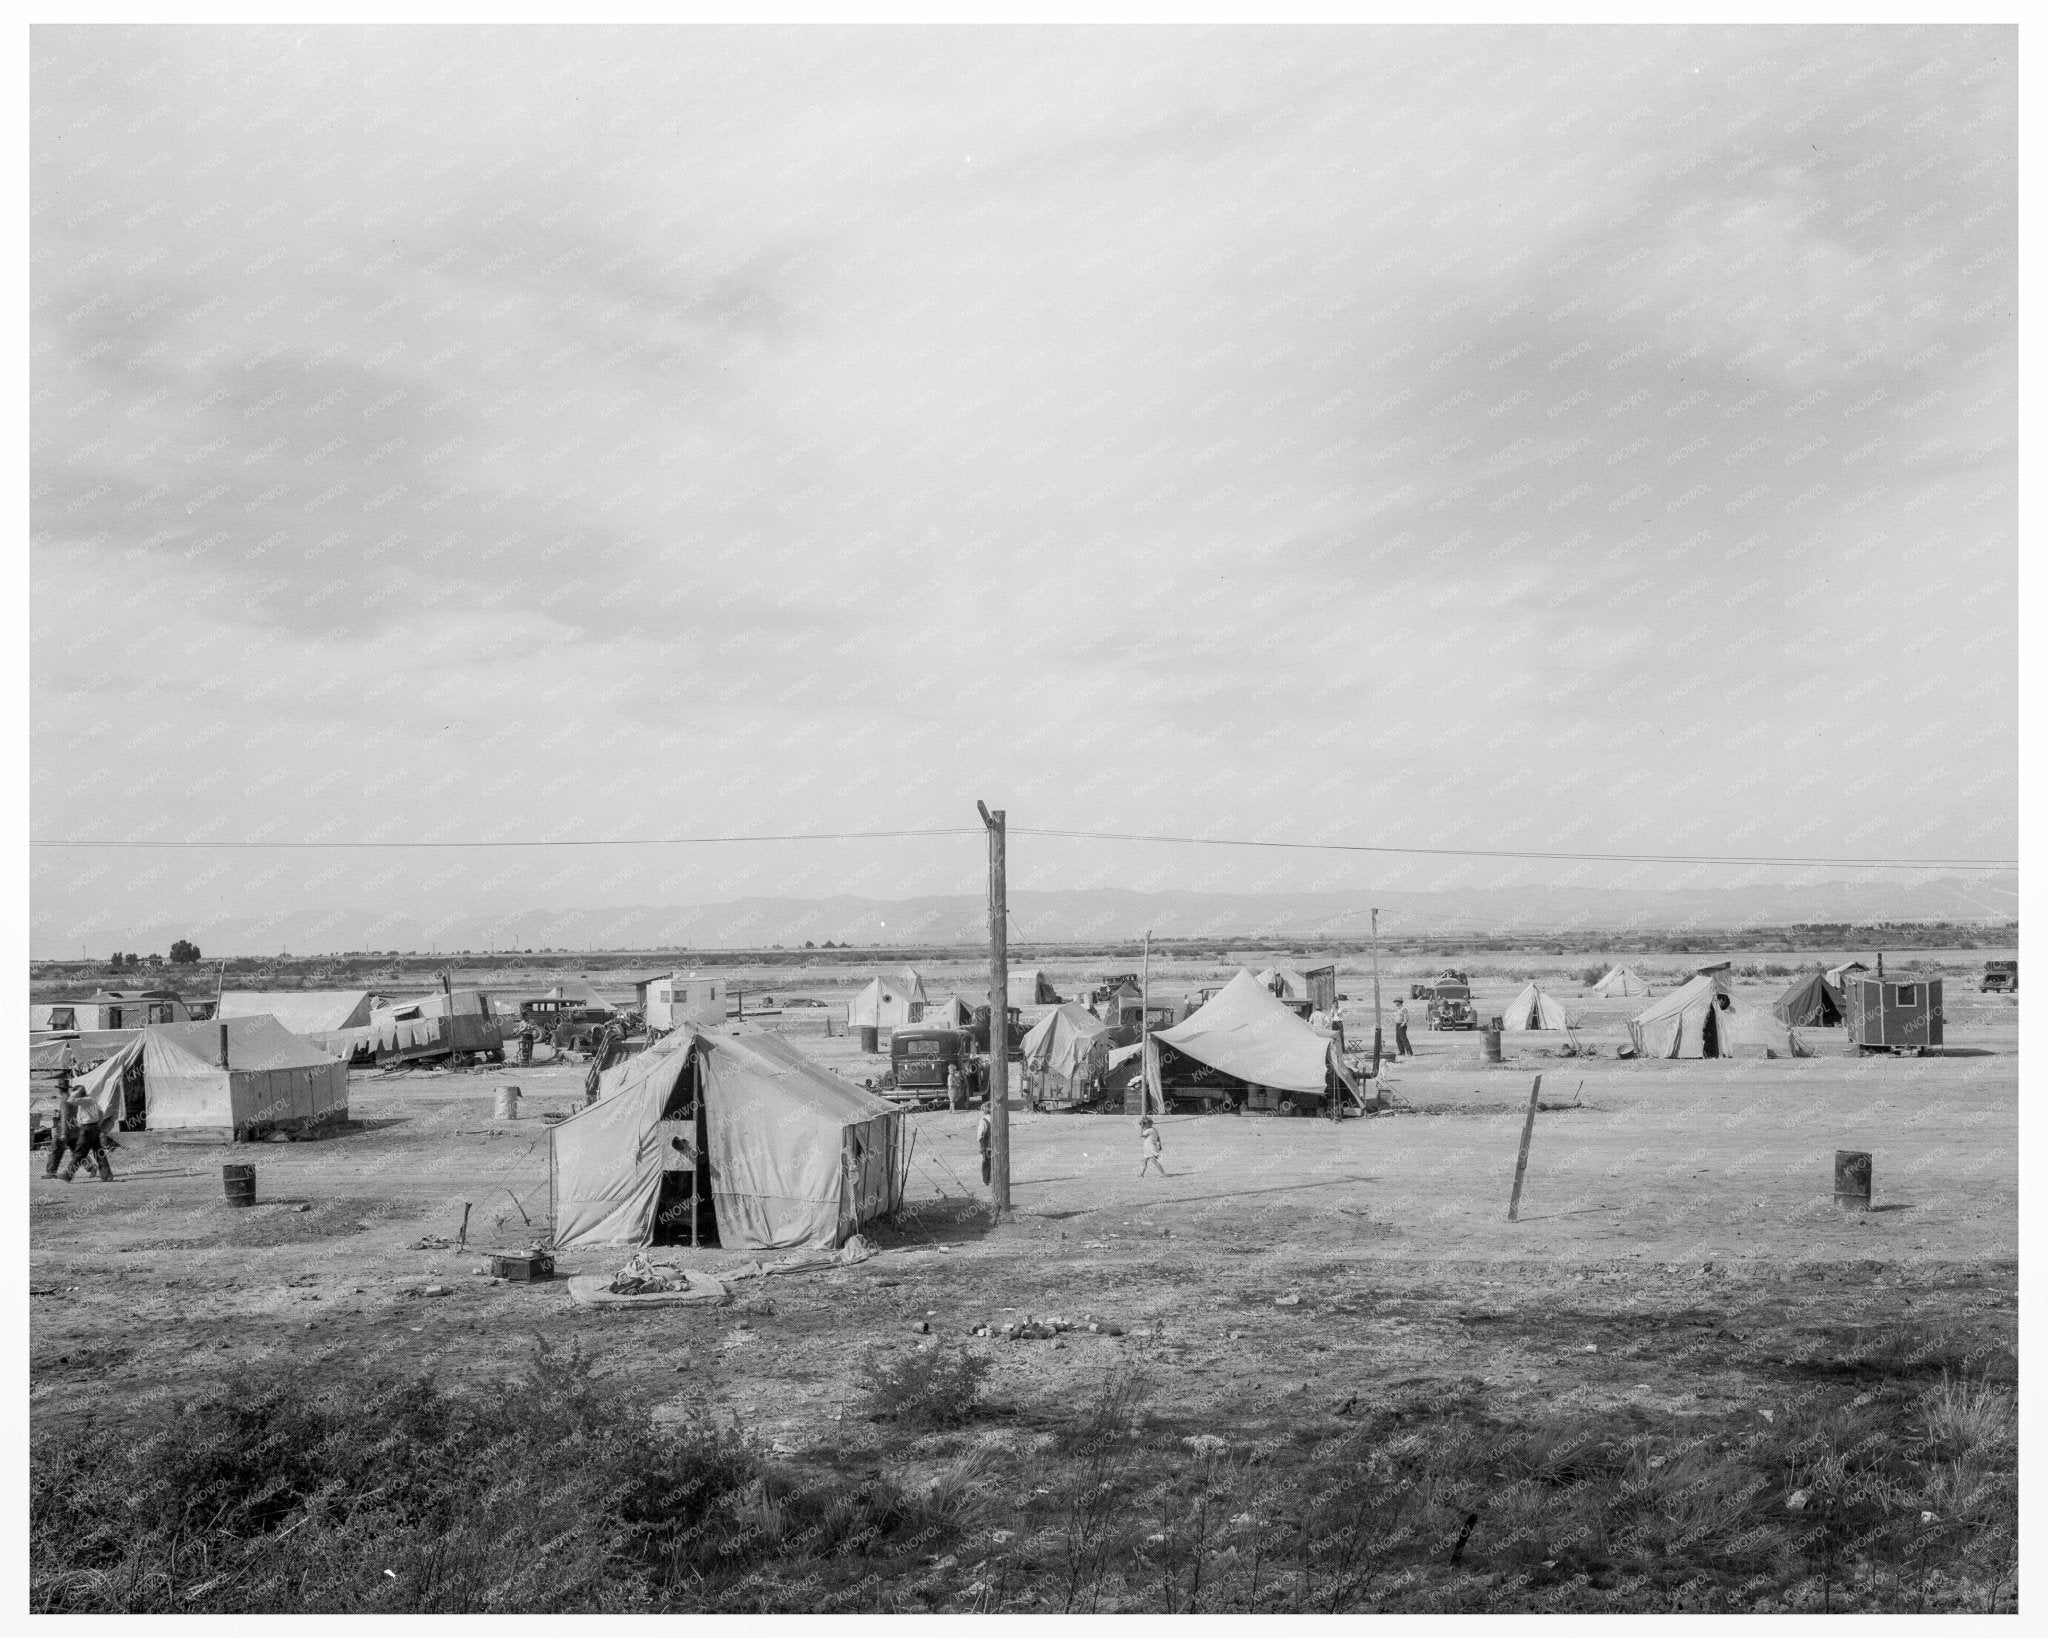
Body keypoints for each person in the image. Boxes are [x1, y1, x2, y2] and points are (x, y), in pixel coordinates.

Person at [60, 1087, 114, 1182]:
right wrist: (97, 1125)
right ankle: (107, 1176)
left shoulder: (85, 1100)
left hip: (87, 1129)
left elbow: (70, 1100)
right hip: (93, 1128)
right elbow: (100, 1113)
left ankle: (67, 1175)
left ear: (80, 1093)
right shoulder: (91, 1100)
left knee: (79, 1153)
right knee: (99, 1153)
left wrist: (76, 1092)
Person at [43, 1069, 78, 1178]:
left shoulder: (64, 1101)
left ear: (60, 1090)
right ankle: (91, 1167)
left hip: (63, 1129)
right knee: (76, 1151)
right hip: (73, 1128)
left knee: (55, 1150)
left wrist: (63, 1132)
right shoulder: (72, 1099)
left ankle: (51, 1172)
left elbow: (64, 1118)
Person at [976, 1103, 993, 1186]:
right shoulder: (996, 1118)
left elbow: (980, 1134)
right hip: (996, 1143)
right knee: (994, 1162)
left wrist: (980, 1145)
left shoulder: (983, 1120)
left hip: (986, 1144)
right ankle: (993, 1179)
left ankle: (986, 1180)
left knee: (986, 1162)